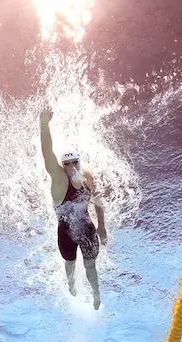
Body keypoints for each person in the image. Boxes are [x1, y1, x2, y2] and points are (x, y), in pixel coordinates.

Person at [39, 107, 108, 310]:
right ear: (62, 166)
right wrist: (44, 124)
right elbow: (47, 154)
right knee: (69, 265)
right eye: (67, 164)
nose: (71, 167)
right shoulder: (60, 180)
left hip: (88, 231)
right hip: (66, 235)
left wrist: (102, 226)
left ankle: (96, 295)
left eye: (74, 162)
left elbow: (98, 201)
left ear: (80, 162)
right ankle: (71, 287)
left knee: (90, 266)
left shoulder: (87, 176)